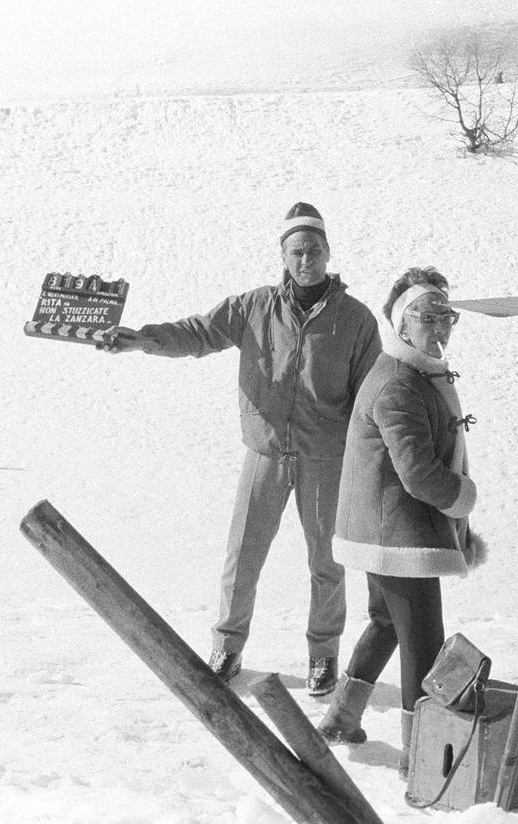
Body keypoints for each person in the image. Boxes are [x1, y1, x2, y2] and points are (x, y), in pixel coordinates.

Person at [101, 202, 381, 696]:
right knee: (244, 555)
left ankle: (323, 655)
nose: (306, 260)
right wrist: (142, 339)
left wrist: (370, 461)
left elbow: (369, 395)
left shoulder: (355, 320)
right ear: (283, 255)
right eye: (297, 251)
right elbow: (197, 333)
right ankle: (227, 646)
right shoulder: (253, 307)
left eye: (314, 250)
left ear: (328, 252)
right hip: (266, 455)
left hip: (324, 458)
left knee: (326, 562)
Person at [316, 267, 483, 778]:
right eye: (426, 316)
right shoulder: (398, 383)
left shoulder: (411, 372)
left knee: (387, 622)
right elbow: (419, 475)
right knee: (423, 643)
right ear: (401, 322)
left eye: (445, 316)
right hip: (398, 536)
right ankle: (421, 755)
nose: (439, 327)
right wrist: (463, 497)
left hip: (383, 530)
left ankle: (341, 718)